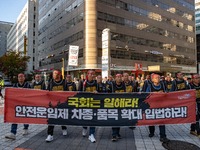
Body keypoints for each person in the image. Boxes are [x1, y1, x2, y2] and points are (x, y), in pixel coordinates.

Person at [5, 73, 31, 140]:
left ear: (24, 78)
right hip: (17, 104)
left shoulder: (28, 85)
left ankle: (25, 128)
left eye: (21, 77)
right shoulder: (15, 85)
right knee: (15, 117)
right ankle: (13, 133)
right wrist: (7, 96)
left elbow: (32, 94)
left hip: (25, 104)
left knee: (25, 116)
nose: (20, 78)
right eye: (19, 77)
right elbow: (11, 93)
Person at [146, 74, 170, 143]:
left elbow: (166, 95)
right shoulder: (150, 87)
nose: (158, 79)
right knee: (151, 120)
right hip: (152, 106)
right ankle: (151, 132)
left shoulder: (163, 85)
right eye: (156, 78)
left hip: (161, 106)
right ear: (152, 80)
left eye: (159, 78)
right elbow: (147, 96)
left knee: (162, 121)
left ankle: (163, 136)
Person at [46, 69, 68, 142]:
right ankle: (50, 134)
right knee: (51, 119)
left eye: (54, 74)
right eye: (53, 74)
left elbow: (68, 93)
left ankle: (64, 128)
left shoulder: (64, 82)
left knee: (62, 117)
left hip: (62, 103)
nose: (53, 75)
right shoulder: (51, 82)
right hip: (53, 104)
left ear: (58, 75)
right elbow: (48, 92)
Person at [78, 70, 98, 143]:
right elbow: (79, 92)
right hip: (85, 103)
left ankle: (91, 134)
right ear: (88, 75)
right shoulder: (83, 82)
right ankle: (84, 127)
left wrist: (97, 92)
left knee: (93, 118)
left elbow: (100, 91)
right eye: (91, 74)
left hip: (93, 103)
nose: (93, 75)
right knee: (85, 117)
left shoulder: (96, 82)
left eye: (94, 74)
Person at [107, 74, 126, 141]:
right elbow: (107, 95)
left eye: (120, 77)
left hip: (121, 105)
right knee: (114, 120)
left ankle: (117, 132)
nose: (119, 78)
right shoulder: (111, 85)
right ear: (115, 79)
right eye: (118, 77)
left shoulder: (124, 85)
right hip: (113, 106)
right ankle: (114, 134)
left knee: (119, 120)